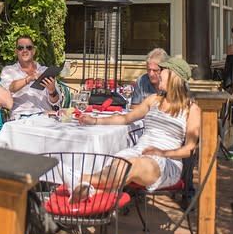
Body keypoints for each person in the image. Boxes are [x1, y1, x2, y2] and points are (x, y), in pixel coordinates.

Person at [75, 56, 200, 195]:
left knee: (130, 165)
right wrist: (95, 121)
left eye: (162, 70)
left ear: (174, 77)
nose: (158, 74)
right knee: (120, 162)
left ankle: (79, 179)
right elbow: (126, 118)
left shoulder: (191, 109)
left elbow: (189, 149)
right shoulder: (153, 100)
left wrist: (161, 153)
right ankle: (90, 192)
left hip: (166, 161)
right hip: (138, 151)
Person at [0, 35, 61, 117]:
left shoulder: (45, 71)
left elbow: (55, 101)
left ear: (33, 51)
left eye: (28, 47)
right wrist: (28, 79)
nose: (25, 50)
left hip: (45, 116)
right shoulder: (9, 71)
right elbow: (7, 90)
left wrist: (52, 91)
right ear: (16, 51)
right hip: (22, 117)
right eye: (21, 48)